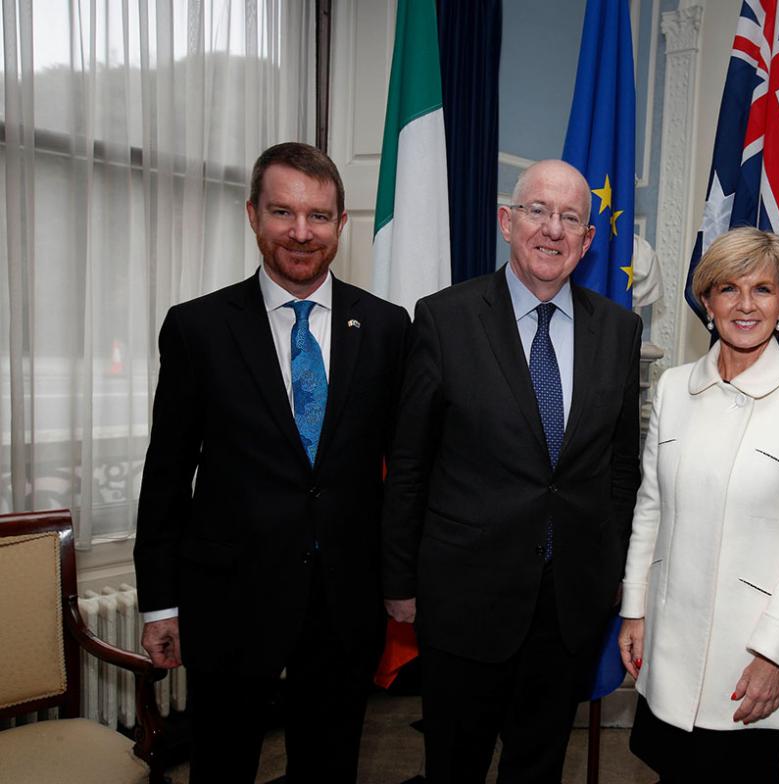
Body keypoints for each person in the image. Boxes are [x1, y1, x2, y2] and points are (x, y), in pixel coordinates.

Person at [134, 142, 411, 783]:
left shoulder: (388, 328)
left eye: (318, 216)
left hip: (345, 601)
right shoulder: (197, 329)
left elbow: (404, 471)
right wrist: (158, 605)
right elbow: (167, 475)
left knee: (328, 765)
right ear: (252, 215)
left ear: (342, 225)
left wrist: (405, 578)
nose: (301, 232)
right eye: (283, 212)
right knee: (223, 765)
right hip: (229, 600)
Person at [382, 159, 643, 783]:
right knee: (455, 764)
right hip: (464, 597)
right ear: (507, 222)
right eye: (537, 211)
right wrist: (399, 580)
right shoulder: (444, 318)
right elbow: (411, 459)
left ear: (587, 241)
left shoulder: (619, 330)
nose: (552, 229)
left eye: (570, 218)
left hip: (568, 603)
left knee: (539, 764)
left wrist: (609, 569)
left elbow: (620, 464)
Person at [617, 227, 779, 784]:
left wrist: (776, 654)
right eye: (728, 288)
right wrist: (634, 608)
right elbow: (651, 506)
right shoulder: (671, 387)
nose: (746, 306)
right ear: (707, 301)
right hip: (667, 639)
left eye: (763, 289)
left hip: (748, 652)